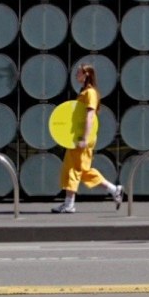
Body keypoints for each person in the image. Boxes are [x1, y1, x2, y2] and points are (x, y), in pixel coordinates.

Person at [53, 63, 123, 213]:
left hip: (83, 137)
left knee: (73, 169)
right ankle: (114, 189)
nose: (76, 75)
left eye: (78, 72)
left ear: (86, 75)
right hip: (78, 136)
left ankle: (69, 204)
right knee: (81, 170)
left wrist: (84, 138)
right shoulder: (84, 92)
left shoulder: (90, 93)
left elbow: (90, 115)